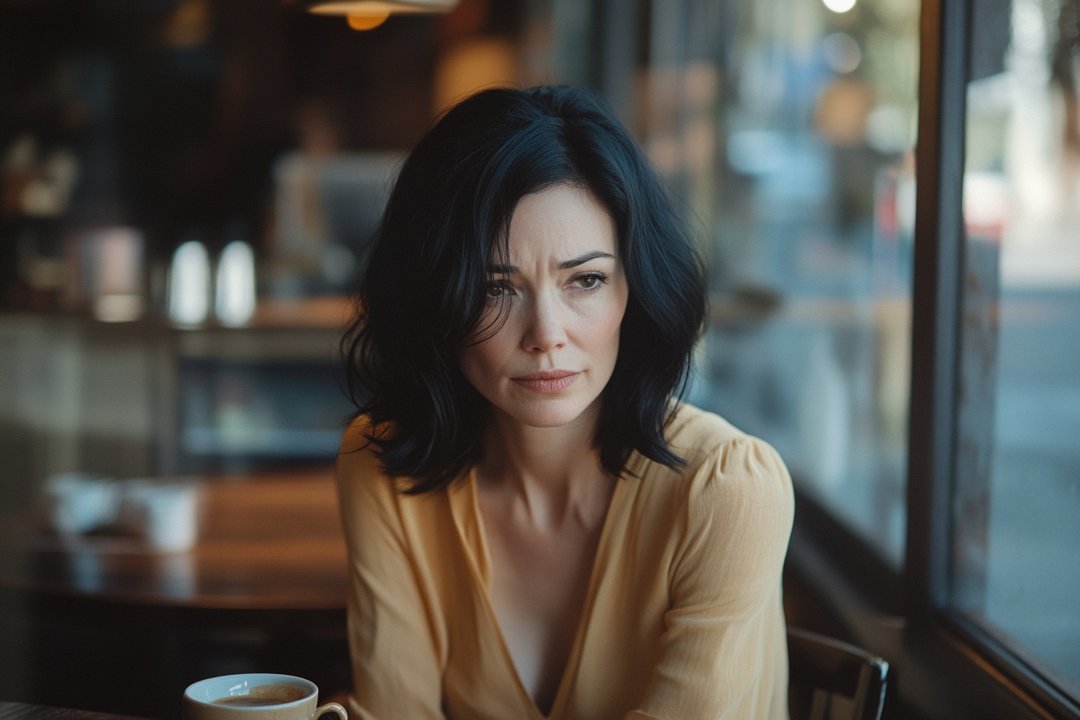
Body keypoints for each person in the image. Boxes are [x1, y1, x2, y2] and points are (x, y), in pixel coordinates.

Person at [336, 85, 794, 720]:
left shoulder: (726, 488)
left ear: (635, 287)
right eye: (495, 288)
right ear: (433, 297)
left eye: (586, 280)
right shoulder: (382, 468)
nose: (546, 334)